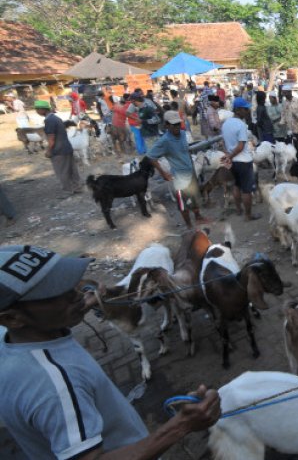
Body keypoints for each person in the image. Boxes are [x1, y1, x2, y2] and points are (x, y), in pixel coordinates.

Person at [0, 245, 221, 459]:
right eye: (57, 294)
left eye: (71, 285)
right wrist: (181, 425)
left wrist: (85, 306)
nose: (77, 294)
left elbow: (43, 319)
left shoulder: (11, 338)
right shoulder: (57, 387)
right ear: (12, 318)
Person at [147, 111, 211, 228]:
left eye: (178, 124)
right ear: (166, 125)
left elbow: (185, 151)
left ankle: (198, 216)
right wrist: (164, 174)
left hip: (190, 172)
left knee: (195, 196)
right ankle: (189, 226)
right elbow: (151, 157)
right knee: (183, 204)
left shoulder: (182, 134)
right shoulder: (164, 141)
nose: (177, 127)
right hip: (179, 178)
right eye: (173, 124)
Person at [221, 98, 261, 221]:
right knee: (246, 190)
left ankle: (239, 210)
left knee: (236, 185)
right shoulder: (241, 125)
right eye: (245, 109)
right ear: (238, 110)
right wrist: (230, 156)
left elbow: (223, 142)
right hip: (243, 160)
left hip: (232, 162)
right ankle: (248, 215)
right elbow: (241, 146)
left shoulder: (226, 123)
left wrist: (228, 156)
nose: (247, 111)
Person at [33, 100, 82, 197]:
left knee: (62, 171)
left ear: (43, 110)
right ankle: (77, 187)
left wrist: (48, 151)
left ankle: (68, 190)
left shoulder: (49, 120)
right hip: (67, 147)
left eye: (37, 109)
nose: (37, 111)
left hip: (58, 150)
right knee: (72, 169)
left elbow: (51, 138)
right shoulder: (56, 118)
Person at [281, 84, 298, 161]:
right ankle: (295, 165)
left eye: (285, 93)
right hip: (289, 130)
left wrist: (297, 115)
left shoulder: (297, 101)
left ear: (290, 92)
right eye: (283, 93)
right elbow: (283, 114)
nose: (284, 95)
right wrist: (281, 123)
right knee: (292, 149)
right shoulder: (284, 102)